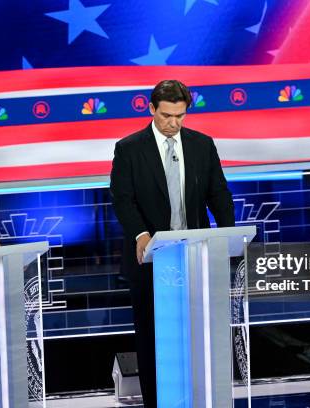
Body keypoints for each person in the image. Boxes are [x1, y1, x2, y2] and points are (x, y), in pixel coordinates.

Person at [110, 80, 235, 407]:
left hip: (195, 257)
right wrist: (141, 234)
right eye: (166, 116)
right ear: (152, 109)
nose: (173, 123)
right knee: (153, 340)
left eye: (180, 116)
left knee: (197, 335)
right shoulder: (129, 148)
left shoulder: (202, 145)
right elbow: (123, 200)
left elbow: (218, 194)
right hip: (149, 261)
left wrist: (227, 236)